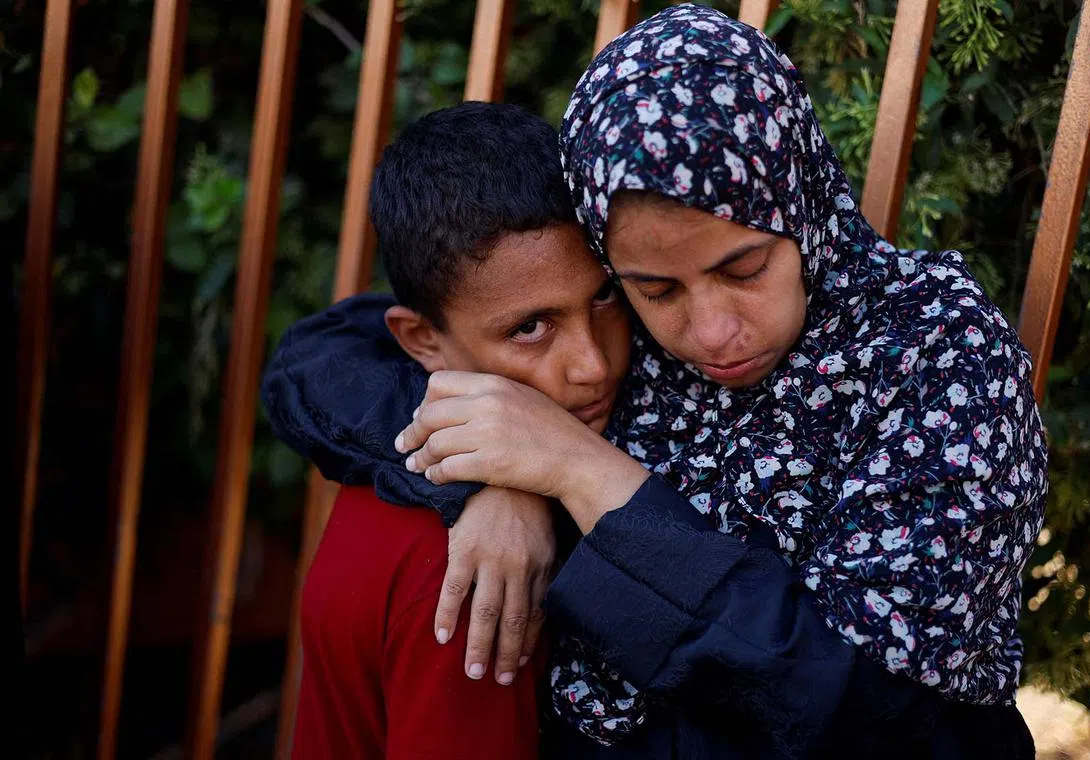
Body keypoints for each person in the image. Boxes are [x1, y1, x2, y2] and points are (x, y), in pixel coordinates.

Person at [267, 6, 1048, 758]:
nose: (709, 333)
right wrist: (485, 479)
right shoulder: (613, 321)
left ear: (801, 206)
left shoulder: (934, 351)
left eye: (743, 268)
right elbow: (328, 355)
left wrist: (580, 472)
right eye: (656, 289)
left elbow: (854, 706)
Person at [266, 101, 631, 759]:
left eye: (605, 296)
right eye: (530, 329)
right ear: (422, 340)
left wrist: (510, 475)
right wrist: (484, 482)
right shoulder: (472, 576)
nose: (593, 365)